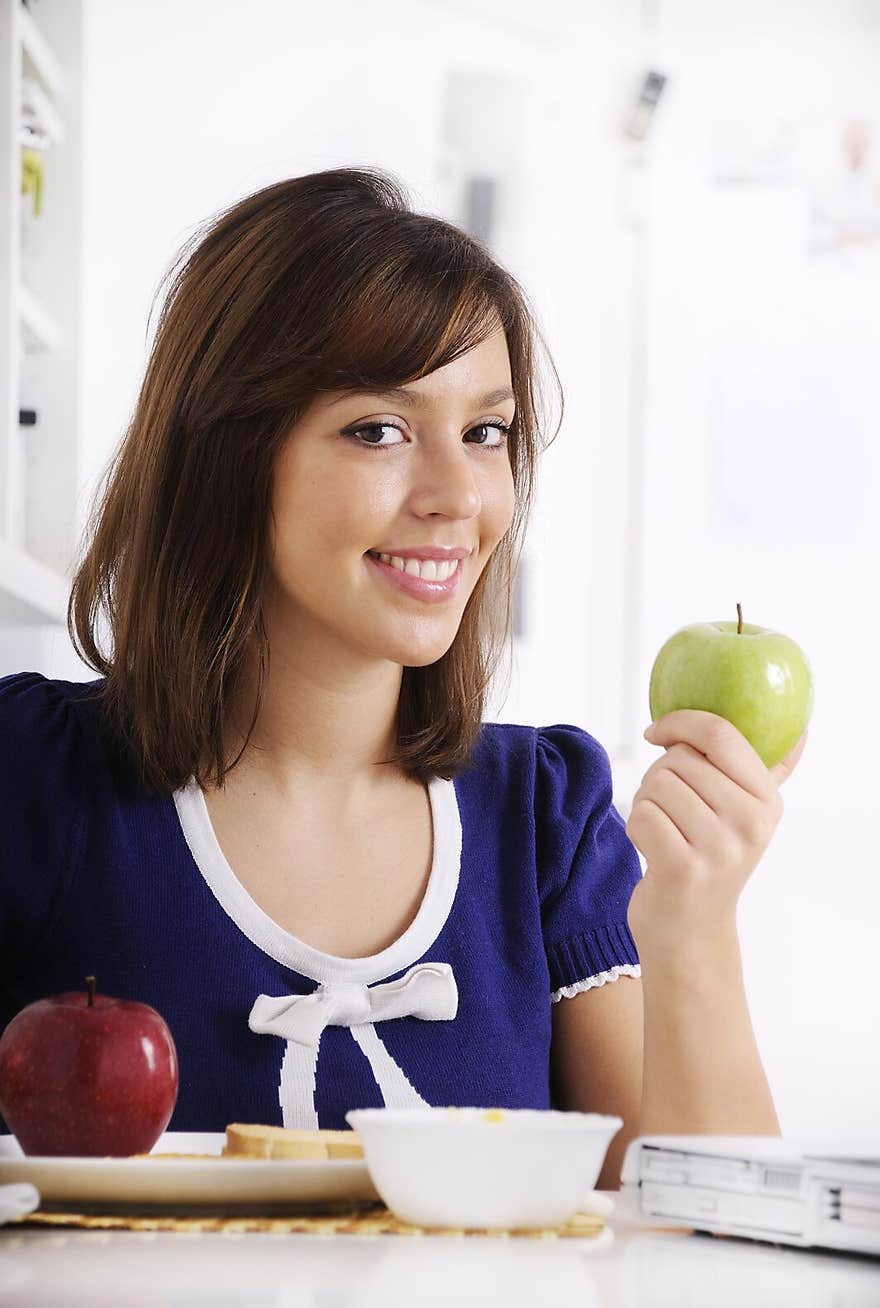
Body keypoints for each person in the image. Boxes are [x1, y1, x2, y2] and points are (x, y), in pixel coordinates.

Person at [0, 168, 805, 1189]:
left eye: (486, 432)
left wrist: (692, 927)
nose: (459, 494)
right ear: (229, 455)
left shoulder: (544, 818)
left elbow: (712, 1267)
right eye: (378, 429)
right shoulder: (33, 779)